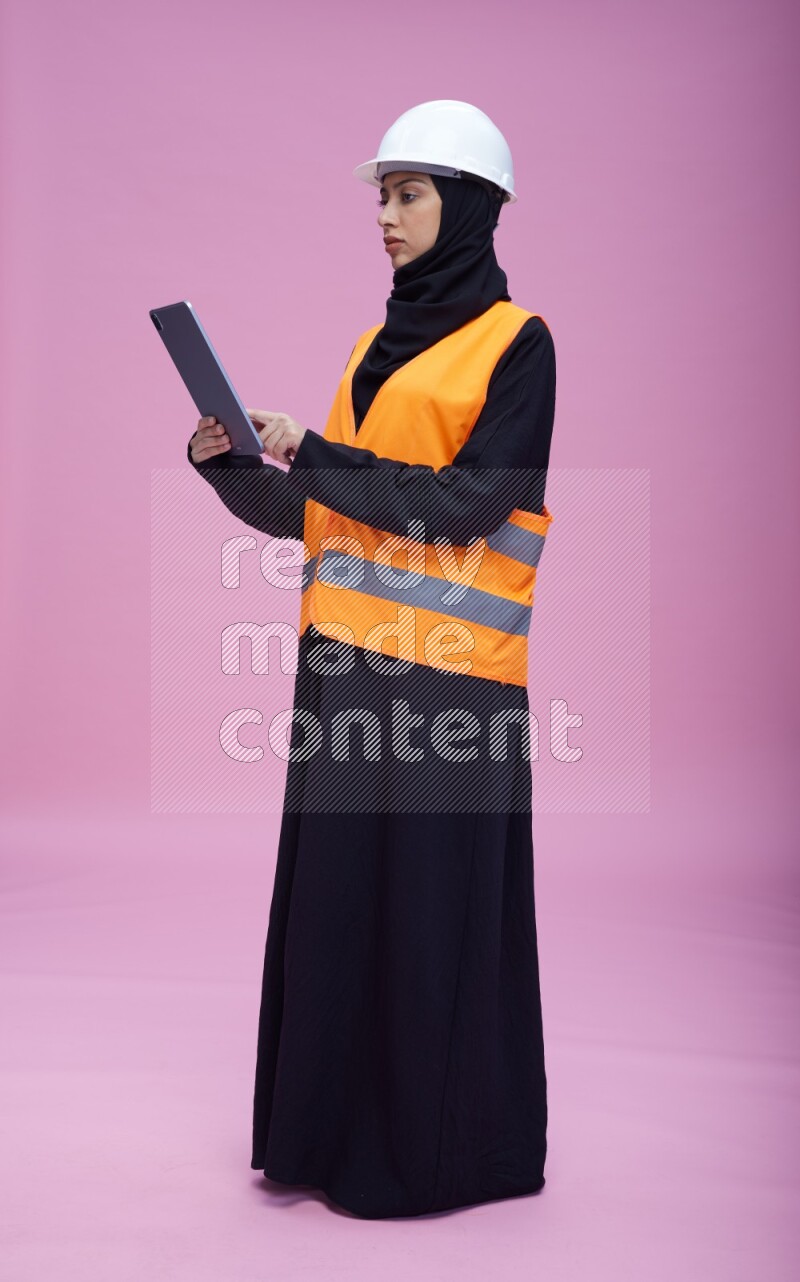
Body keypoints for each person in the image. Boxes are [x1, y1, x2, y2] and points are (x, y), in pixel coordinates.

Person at [188, 100, 557, 1219]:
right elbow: (328, 514)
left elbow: (472, 502)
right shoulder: (367, 348)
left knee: (429, 923)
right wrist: (234, 462)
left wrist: (324, 452)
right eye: (381, 196)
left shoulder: (518, 344)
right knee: (341, 914)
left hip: (451, 687)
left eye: (409, 193)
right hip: (343, 675)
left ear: (472, 207)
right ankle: (324, 1140)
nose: (386, 217)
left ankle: (441, 1158)